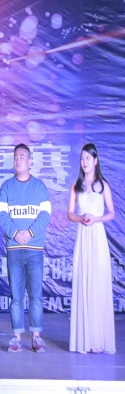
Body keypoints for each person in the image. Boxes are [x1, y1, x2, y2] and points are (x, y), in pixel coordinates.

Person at [0, 143, 51, 353]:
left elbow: (45, 215)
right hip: (14, 250)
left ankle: (36, 337)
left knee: (35, 294)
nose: (18, 160)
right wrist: (15, 233)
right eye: (15, 157)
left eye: (22, 157)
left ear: (30, 161)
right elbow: (2, 215)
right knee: (16, 296)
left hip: (34, 250)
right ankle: (17, 337)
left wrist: (30, 233)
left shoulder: (40, 187)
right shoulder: (6, 187)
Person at [67, 143, 116, 354]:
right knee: (83, 282)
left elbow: (111, 213)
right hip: (83, 236)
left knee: (97, 284)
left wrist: (96, 219)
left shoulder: (103, 185)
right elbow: (69, 214)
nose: (84, 162)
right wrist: (81, 218)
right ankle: (83, 339)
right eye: (82, 158)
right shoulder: (75, 186)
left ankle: (97, 339)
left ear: (96, 161)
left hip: (97, 237)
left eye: (88, 158)